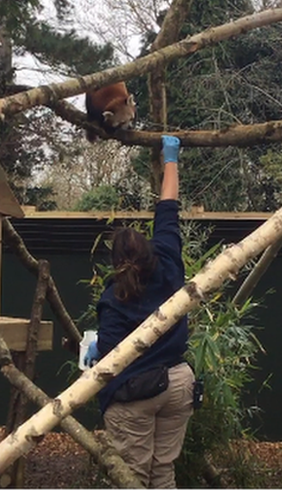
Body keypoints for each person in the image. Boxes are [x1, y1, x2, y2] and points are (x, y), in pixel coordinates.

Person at [84, 135, 193, 490]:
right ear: (149, 248)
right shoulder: (168, 259)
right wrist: (170, 157)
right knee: (163, 473)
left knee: (131, 477)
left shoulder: (114, 299)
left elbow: (113, 354)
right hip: (178, 382)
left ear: (115, 264)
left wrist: (96, 348)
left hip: (136, 392)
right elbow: (168, 207)